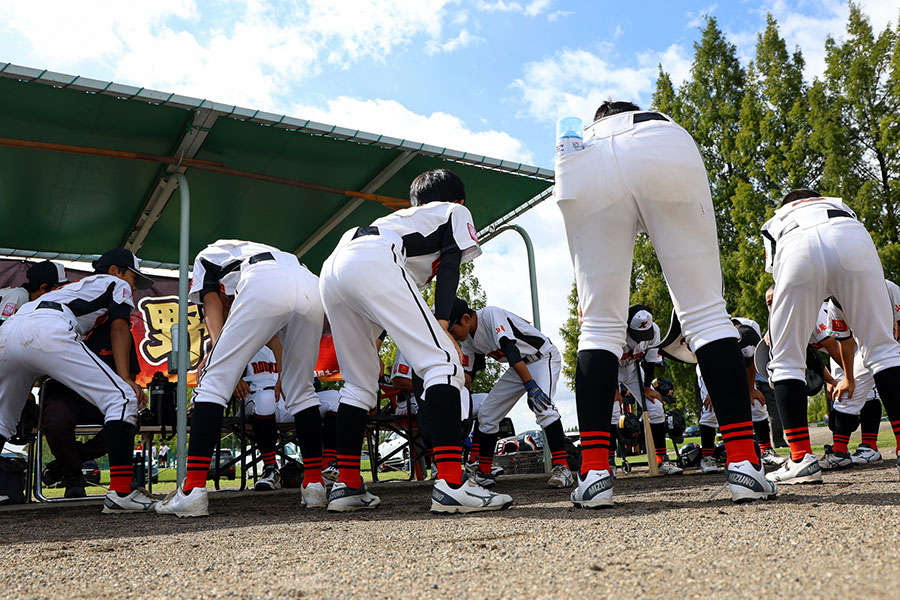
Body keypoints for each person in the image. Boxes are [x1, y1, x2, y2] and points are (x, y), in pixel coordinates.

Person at [554, 100, 777, 506]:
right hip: (659, 140)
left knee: (598, 328)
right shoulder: (651, 124)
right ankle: (745, 464)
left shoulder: (589, 136)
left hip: (581, 155)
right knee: (707, 316)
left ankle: (594, 474)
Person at [319, 168, 511, 513]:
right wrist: (442, 323)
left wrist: (375, 342)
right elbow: (450, 263)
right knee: (445, 362)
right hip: (374, 258)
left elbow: (383, 294)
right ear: (458, 198)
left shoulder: (400, 218)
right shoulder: (454, 210)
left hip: (334, 266)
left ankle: (347, 485)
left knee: (359, 384)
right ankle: (452, 483)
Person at [155, 239, 324, 517]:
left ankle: (192, 491)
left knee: (212, 384)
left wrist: (219, 358)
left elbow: (211, 301)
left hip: (264, 277)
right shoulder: (258, 251)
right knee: (303, 391)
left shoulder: (208, 254)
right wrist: (284, 371)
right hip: (309, 281)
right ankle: (315, 485)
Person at [0, 248, 157, 513]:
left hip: (9, 331)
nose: (133, 286)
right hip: (46, 327)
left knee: (3, 420)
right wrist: (125, 378)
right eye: (133, 278)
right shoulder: (115, 282)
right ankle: (121, 493)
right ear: (115, 271)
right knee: (123, 398)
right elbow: (120, 327)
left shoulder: (71, 288)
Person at [761, 189, 900, 483]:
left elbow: (778, 276)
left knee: (786, 360)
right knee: (884, 351)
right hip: (850, 236)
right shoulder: (840, 204)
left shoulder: (777, 218)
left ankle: (800, 458)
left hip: (795, 242)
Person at [448, 298, 574, 488]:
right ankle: (484, 471)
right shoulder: (467, 341)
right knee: (487, 413)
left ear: (465, 319)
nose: (452, 335)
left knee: (542, 406)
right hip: (519, 367)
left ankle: (563, 468)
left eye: (452, 329)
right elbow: (469, 375)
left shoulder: (490, 315)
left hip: (542, 357)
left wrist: (530, 385)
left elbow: (510, 349)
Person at [40, 316, 142, 498]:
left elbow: (129, 378)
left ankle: (65, 464)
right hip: (64, 396)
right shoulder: (54, 328)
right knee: (56, 421)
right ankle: (73, 475)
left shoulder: (116, 330)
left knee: (128, 418)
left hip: (104, 397)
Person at [614, 306, 681, 475]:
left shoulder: (654, 331)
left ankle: (661, 460)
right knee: (613, 411)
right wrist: (614, 390)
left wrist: (646, 387)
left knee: (656, 406)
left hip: (633, 370)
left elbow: (651, 360)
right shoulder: (616, 331)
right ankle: (609, 464)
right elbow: (607, 362)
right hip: (611, 370)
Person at [0, 260, 68, 325]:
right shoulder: (19, 295)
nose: (61, 291)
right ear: (43, 287)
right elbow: (3, 326)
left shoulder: (30, 301)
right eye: (59, 288)